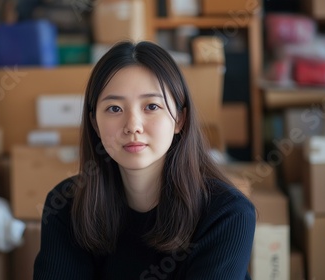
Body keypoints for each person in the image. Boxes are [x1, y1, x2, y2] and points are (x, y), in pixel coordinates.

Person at [34, 41, 256, 280]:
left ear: (180, 119)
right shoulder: (66, 205)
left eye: (151, 106)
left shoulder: (227, 214)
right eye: (115, 109)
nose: (133, 126)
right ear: (95, 123)